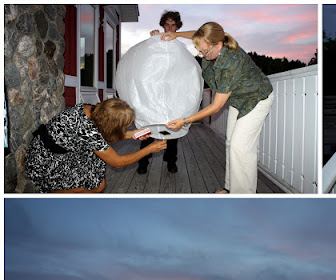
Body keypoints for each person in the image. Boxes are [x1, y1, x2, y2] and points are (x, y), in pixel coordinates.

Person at [163, 22, 274, 194]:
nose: (200, 54)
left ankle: (244, 196)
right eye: (198, 49)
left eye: (204, 51)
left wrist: (185, 121)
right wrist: (177, 35)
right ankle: (230, 188)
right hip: (239, 98)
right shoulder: (211, 41)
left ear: (218, 45)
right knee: (231, 143)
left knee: (240, 148)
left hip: (256, 98)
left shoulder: (231, 62)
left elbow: (217, 106)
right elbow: (197, 34)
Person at [24, 99, 167, 193]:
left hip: (63, 149)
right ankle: (52, 196)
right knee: (97, 186)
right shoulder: (88, 131)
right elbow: (118, 162)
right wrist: (149, 149)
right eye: (124, 126)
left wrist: (131, 134)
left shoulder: (93, 110)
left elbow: (102, 131)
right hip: (45, 161)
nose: (127, 127)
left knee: (98, 177)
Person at [136, 10, 183, 175]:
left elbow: (184, 70)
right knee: (149, 126)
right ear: (163, 26)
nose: (170, 28)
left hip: (172, 94)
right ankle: (143, 162)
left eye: (173, 25)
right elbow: (147, 60)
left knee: (172, 129)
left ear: (177, 27)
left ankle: (171, 161)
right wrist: (152, 40)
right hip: (155, 93)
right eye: (167, 24)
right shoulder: (156, 39)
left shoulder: (180, 46)